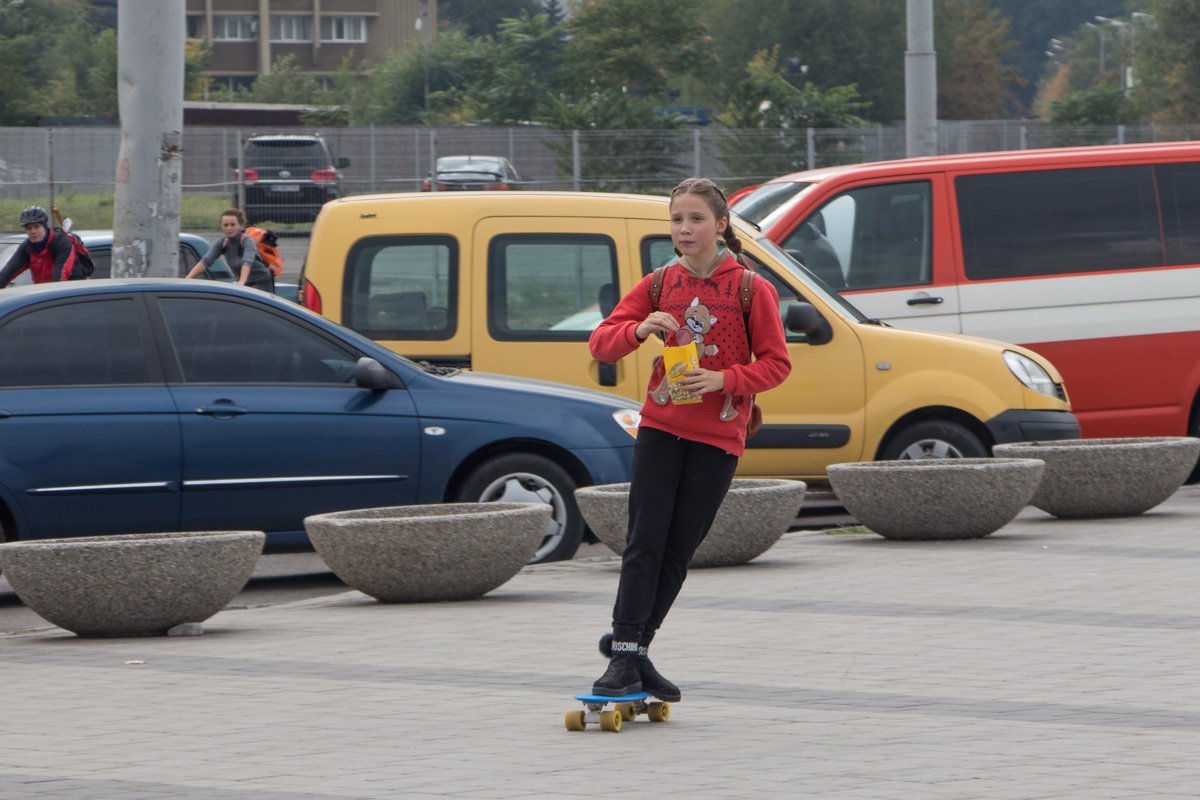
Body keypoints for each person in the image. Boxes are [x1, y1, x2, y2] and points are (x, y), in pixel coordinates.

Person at [587, 177, 792, 700]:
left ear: (721, 225)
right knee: (644, 542)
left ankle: (633, 650)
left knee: (678, 549)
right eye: (677, 219)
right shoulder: (659, 283)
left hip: (719, 435)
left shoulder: (751, 288)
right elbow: (601, 343)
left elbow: (776, 364)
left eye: (696, 218)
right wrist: (637, 330)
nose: (684, 229)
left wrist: (726, 380)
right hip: (661, 426)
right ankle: (626, 657)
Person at [185, 208, 275, 293]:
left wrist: (241, 282)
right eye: (226, 225)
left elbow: (247, 262)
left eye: (233, 225)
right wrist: (188, 279)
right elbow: (205, 261)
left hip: (261, 282)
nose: (229, 228)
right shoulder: (222, 242)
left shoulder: (247, 241)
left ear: (239, 226)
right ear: (221, 226)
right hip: (242, 283)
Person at [0, 205, 80, 287]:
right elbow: (8, 271)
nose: (33, 231)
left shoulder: (61, 243)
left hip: (69, 294)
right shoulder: (27, 247)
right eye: (29, 228)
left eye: (36, 227)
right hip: (42, 293)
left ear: (45, 226)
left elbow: (59, 279)